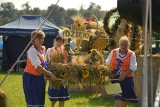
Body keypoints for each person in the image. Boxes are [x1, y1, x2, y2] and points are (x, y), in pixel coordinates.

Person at [22, 30, 56, 107]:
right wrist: (49, 74)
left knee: (40, 101)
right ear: (33, 40)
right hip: (31, 78)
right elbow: (38, 67)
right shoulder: (31, 50)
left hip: (40, 78)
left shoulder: (43, 48)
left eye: (42, 38)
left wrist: (47, 72)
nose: (41, 40)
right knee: (33, 101)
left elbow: (44, 62)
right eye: (38, 38)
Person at [105, 36, 138, 107]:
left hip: (127, 79)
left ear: (128, 45)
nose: (123, 46)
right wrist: (110, 73)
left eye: (125, 44)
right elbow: (107, 63)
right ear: (119, 44)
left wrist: (124, 75)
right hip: (115, 78)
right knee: (117, 98)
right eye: (122, 44)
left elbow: (133, 67)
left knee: (124, 99)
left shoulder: (131, 54)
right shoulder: (113, 52)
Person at [46, 36, 73, 107]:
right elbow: (47, 61)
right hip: (54, 74)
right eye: (58, 41)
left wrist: (67, 44)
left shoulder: (65, 50)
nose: (59, 43)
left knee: (62, 97)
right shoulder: (50, 50)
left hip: (63, 74)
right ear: (55, 41)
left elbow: (71, 55)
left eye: (61, 42)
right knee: (54, 96)